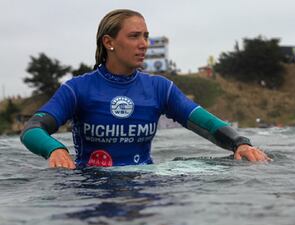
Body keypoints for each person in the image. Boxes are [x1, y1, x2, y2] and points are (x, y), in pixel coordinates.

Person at [20, 9, 271, 169]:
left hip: (145, 179)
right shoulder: (78, 89)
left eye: (146, 36)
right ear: (109, 42)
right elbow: (32, 130)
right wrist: (55, 149)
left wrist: (240, 143)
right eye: (134, 36)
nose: (144, 44)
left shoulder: (159, 88)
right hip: (90, 186)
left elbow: (205, 123)